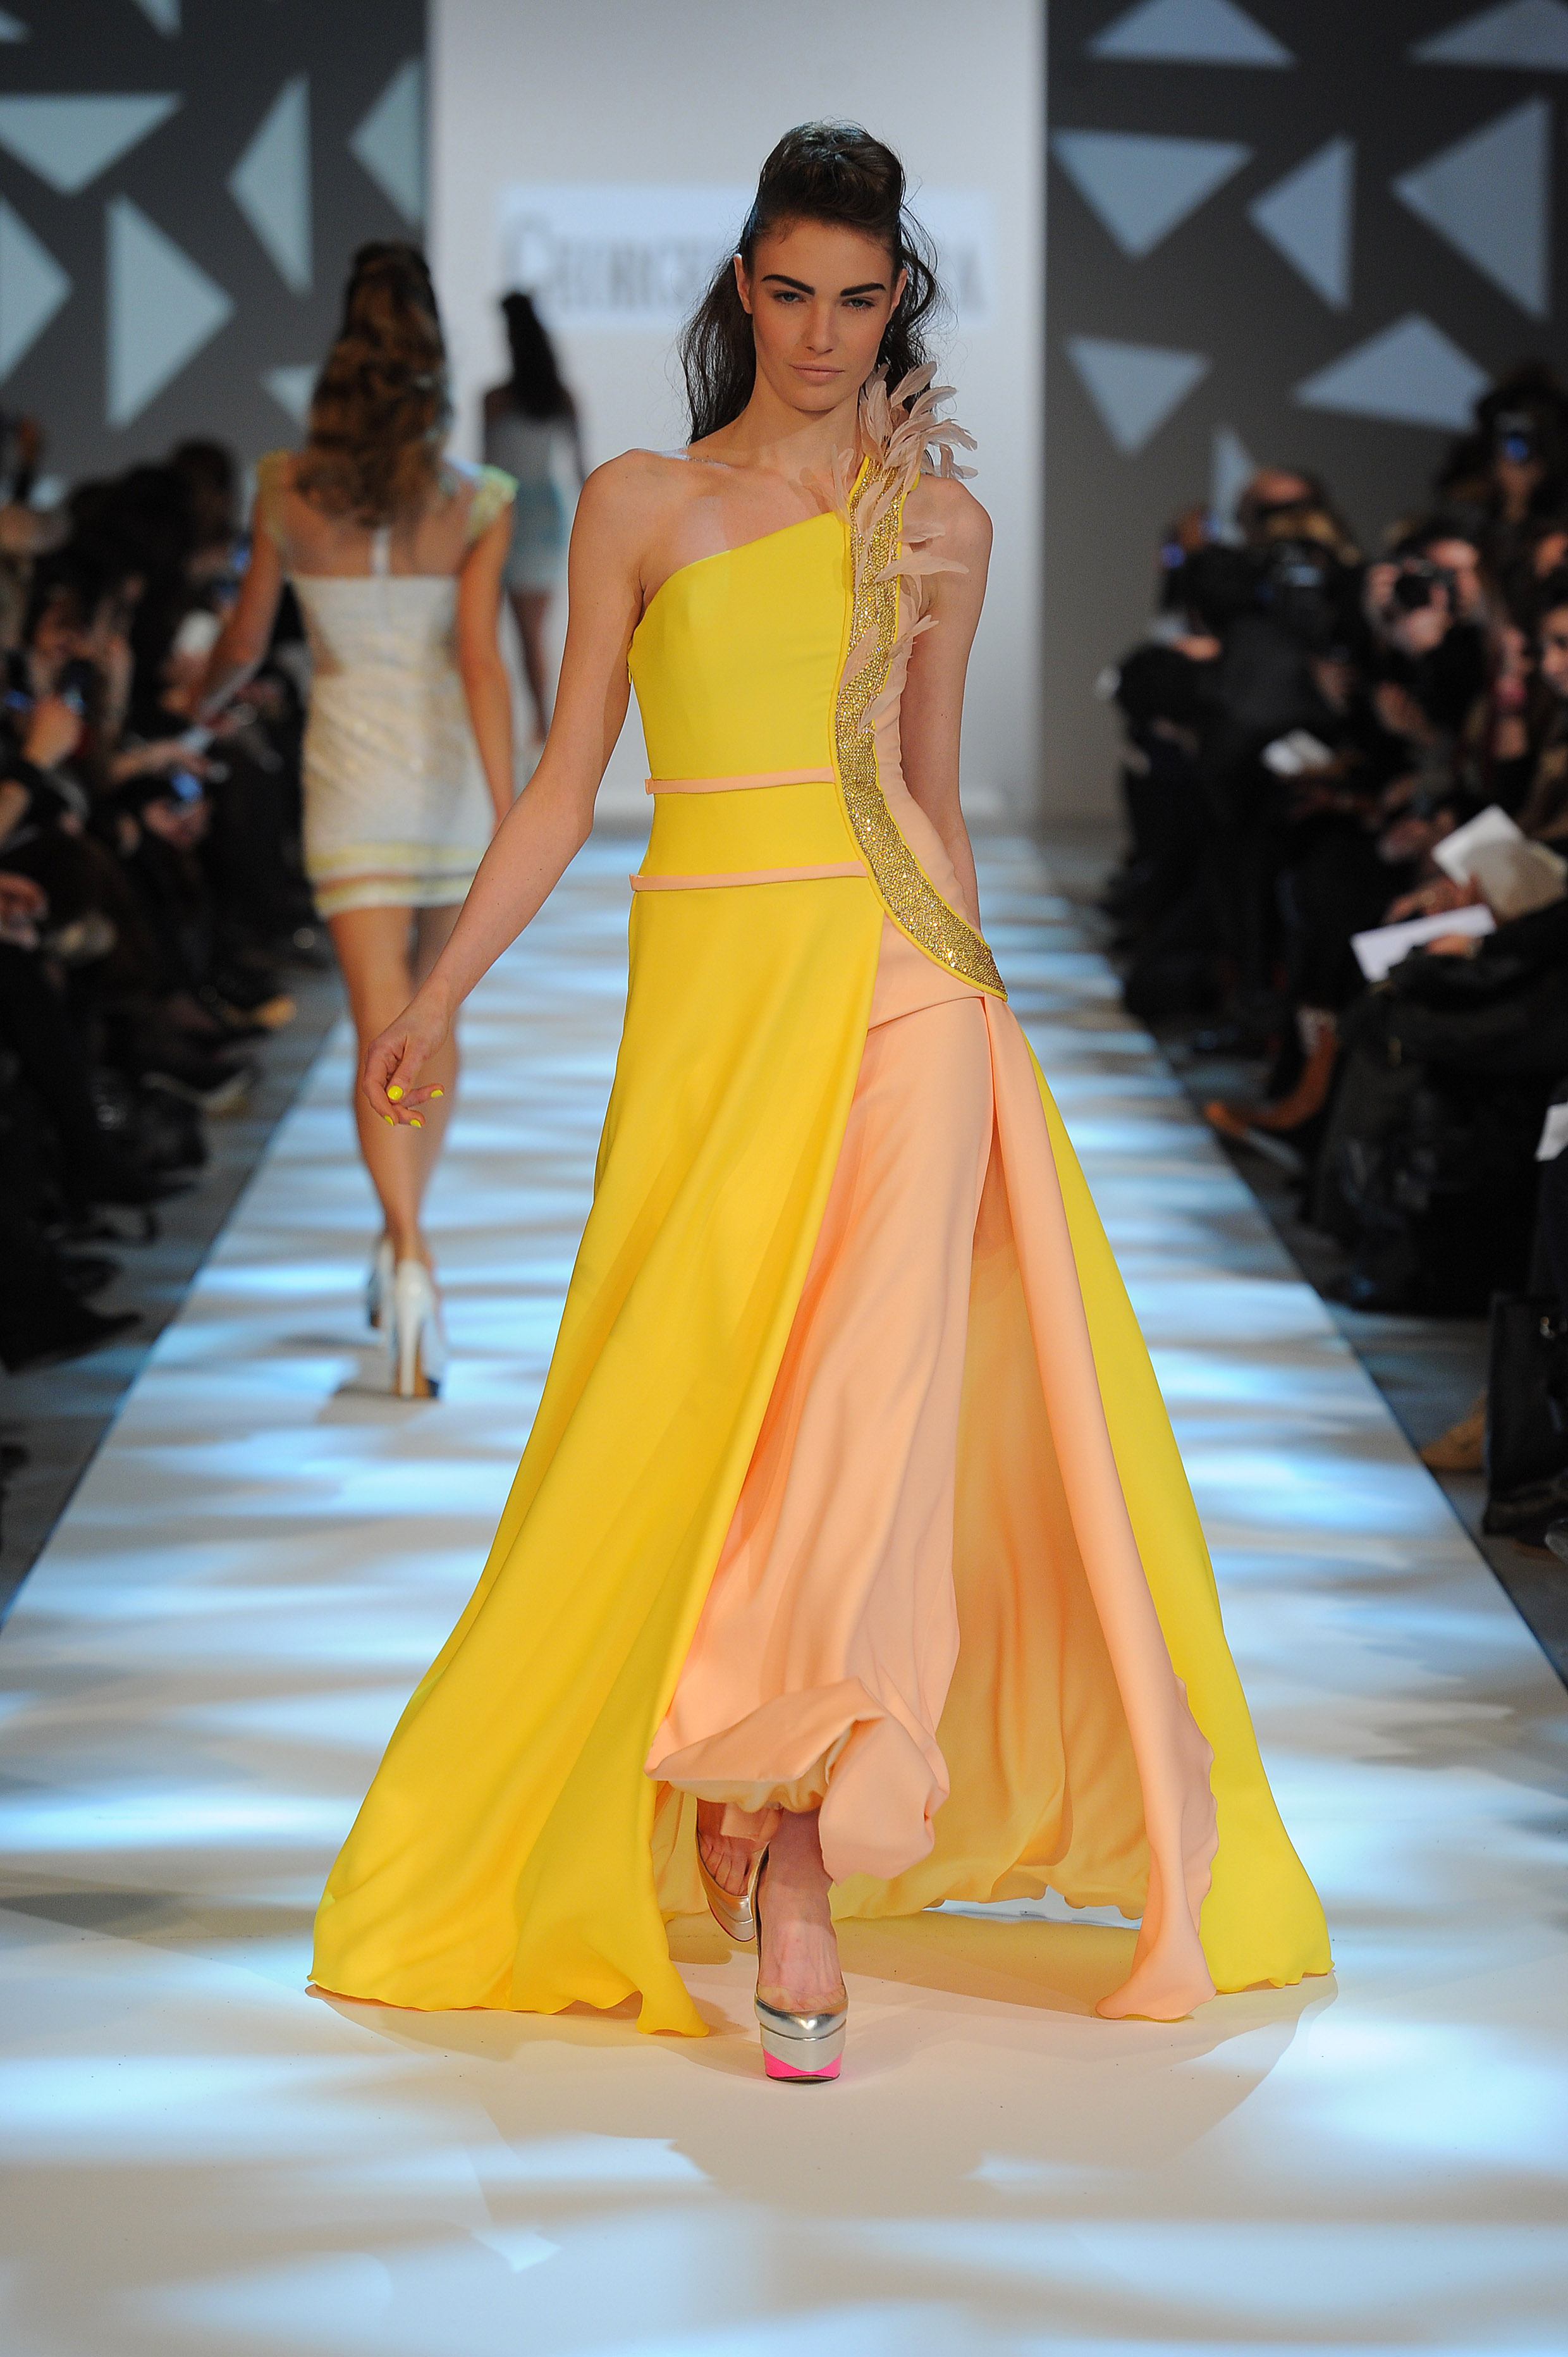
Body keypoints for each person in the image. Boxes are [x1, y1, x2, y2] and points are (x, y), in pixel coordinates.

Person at [312, 126, 1329, 2079]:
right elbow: (562, 786)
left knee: (875, 1406)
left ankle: (795, 1847)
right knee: (701, 1391)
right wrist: (439, 987)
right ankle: (733, 1757)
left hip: (905, 984)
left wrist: (983, 1004)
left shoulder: (938, 522)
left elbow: (929, 794)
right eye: (790, 292)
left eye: (859, 299)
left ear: (897, 305)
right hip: (714, 987)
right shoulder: (639, 501)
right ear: (739, 291)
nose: (821, 331)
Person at [200, 243, 517, 1394]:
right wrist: (514, 804)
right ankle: (412, 1242)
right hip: (446, 777)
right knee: (430, 1017)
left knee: (378, 1014)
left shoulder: (284, 486)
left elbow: (246, 640)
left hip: (346, 775)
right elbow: (479, 662)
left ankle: (406, 1244)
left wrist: (194, 703)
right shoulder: (478, 500)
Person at [482, 290, 584, 744]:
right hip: (539, 513)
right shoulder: (558, 397)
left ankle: (541, 731)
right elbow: (581, 470)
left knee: (524, 633)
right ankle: (541, 729)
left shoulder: (496, 400)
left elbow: (486, 470)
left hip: (512, 514)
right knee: (529, 634)